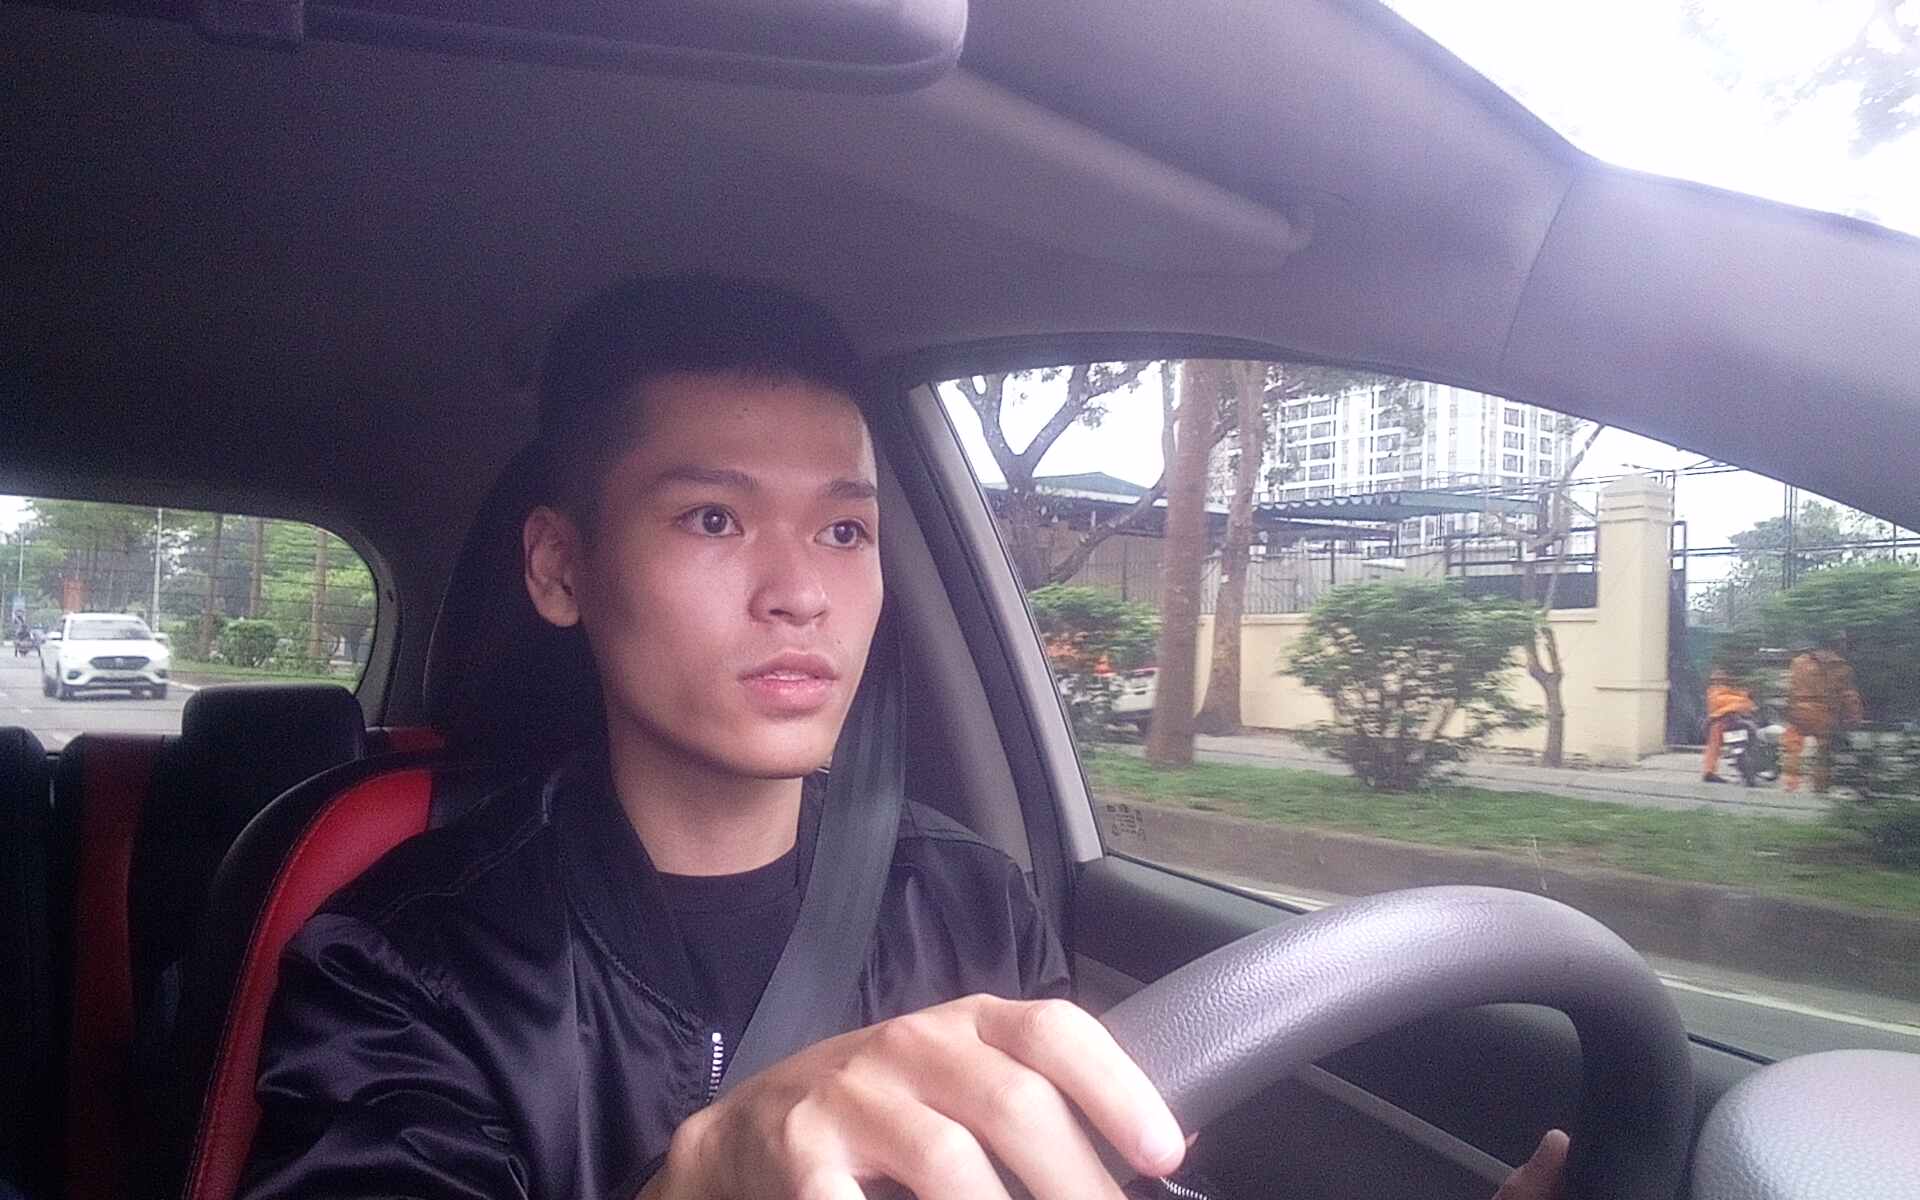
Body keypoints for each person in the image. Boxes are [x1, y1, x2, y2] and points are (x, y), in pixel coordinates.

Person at [240, 276, 1568, 1199]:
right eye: (713, 519)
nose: (799, 593)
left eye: (843, 529)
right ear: (560, 568)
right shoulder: (406, 960)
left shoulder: (971, 901)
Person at [1783, 638, 1864, 795]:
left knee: (1793, 747)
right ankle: (1820, 787)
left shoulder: (1798, 662)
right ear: (1836, 646)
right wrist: (1854, 718)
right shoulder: (1841, 667)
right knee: (1823, 752)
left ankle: (1790, 786)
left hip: (1799, 712)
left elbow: (1790, 689)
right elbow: (1849, 696)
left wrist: (1790, 710)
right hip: (1824, 715)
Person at [1701, 669, 1759, 784]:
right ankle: (1709, 772)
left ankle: (1709, 771)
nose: (1719, 682)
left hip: (1728, 723)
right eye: (1717, 680)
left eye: (1720, 679)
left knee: (1715, 747)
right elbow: (1743, 703)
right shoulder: (1718, 694)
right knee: (1716, 747)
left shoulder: (1726, 693)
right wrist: (1746, 701)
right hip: (1723, 723)